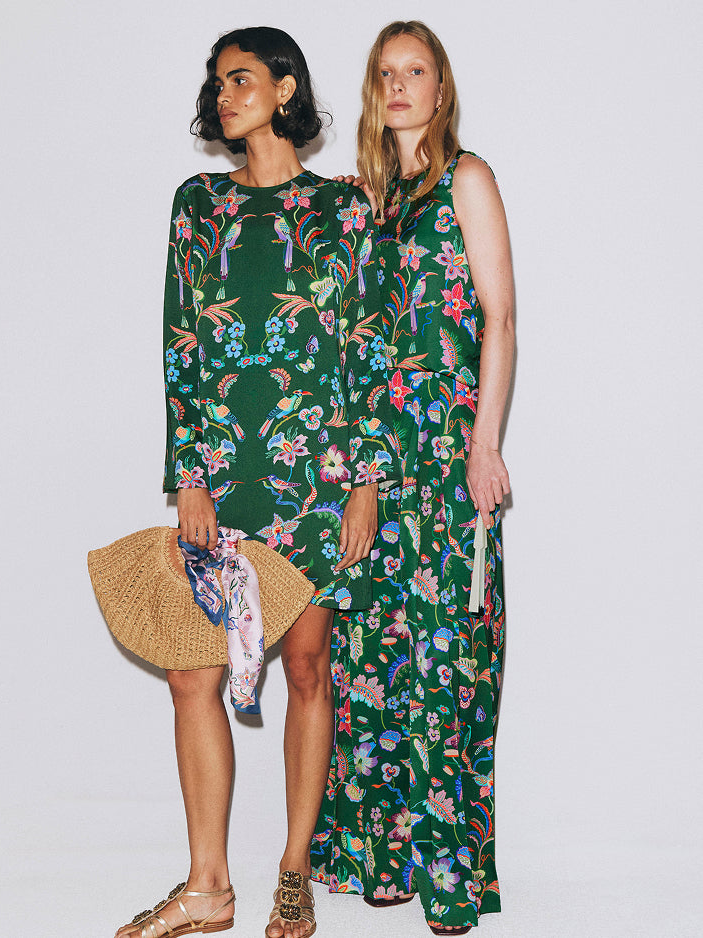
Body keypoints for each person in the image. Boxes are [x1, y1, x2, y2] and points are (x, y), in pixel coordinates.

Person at [114, 26, 398, 938]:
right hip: (225, 484)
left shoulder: (346, 211)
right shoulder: (196, 204)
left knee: (310, 668)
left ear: (285, 90)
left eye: (242, 79)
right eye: (217, 81)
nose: (224, 94)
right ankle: (208, 887)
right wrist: (188, 479)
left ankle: (292, 871)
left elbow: (367, 352)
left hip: (318, 480)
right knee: (193, 676)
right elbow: (180, 348)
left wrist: (364, 482)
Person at [311, 21, 514, 936]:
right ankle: (384, 857)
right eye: (384, 74)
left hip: (442, 460)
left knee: (448, 665)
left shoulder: (468, 179)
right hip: (373, 468)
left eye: (415, 72)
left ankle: (453, 878)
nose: (399, 87)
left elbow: (501, 322)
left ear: (441, 87)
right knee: (374, 659)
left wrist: (485, 444)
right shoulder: (367, 201)